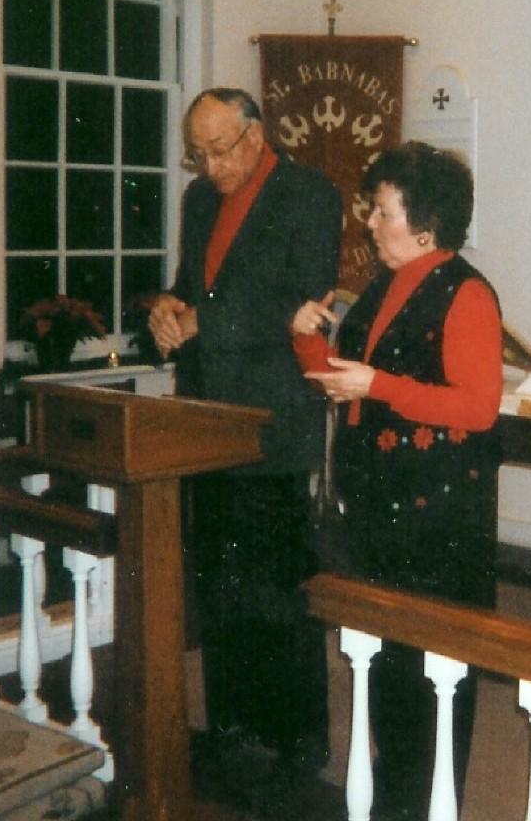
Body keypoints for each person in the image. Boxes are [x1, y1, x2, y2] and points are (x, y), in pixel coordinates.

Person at [291, 141, 503, 821]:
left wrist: (375, 383)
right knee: (386, 664)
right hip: (380, 504)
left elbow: (477, 407)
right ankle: (397, 797)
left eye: (382, 212)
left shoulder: (466, 292)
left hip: (436, 515)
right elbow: (348, 384)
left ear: (425, 225)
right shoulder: (385, 285)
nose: (370, 224)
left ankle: (428, 805)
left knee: (433, 672)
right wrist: (306, 339)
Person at [148, 87, 342, 782]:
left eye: (221, 150)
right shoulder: (199, 201)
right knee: (219, 580)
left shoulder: (309, 194)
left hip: (272, 418)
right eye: (197, 155)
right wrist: (169, 311)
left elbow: (302, 297)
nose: (210, 167)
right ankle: (232, 720)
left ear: (257, 135)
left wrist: (206, 320)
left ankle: (298, 740)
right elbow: (188, 285)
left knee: (276, 584)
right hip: (204, 415)